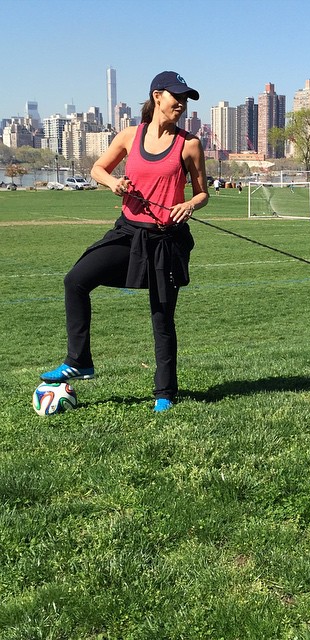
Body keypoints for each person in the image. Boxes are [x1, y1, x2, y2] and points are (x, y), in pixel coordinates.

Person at [40, 71, 209, 412]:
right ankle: (79, 361)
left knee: (162, 317)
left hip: (165, 240)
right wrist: (113, 183)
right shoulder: (130, 136)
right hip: (127, 233)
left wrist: (189, 204)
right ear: (157, 96)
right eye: (177, 96)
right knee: (76, 280)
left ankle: (164, 394)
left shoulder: (189, 144)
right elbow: (98, 169)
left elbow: (203, 192)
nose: (182, 104)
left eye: (186, 99)